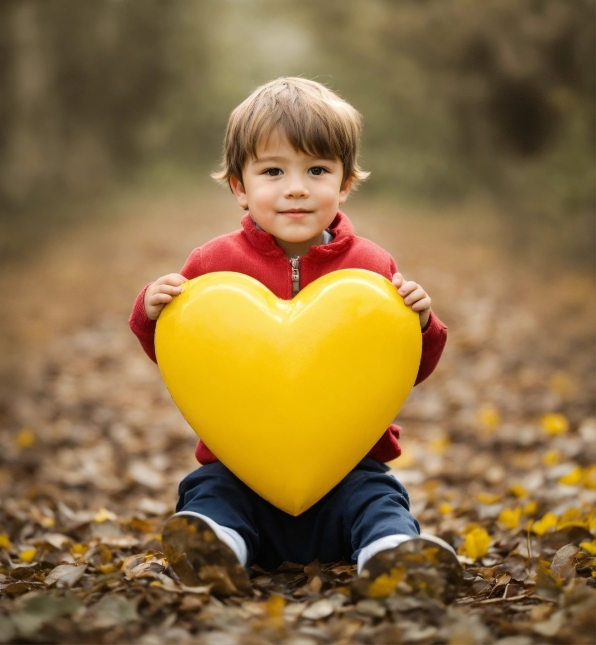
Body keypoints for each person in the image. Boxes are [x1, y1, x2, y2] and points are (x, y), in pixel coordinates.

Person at [129, 77, 462, 601]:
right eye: (273, 171)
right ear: (239, 185)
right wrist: (152, 311)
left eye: (317, 170)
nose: (297, 187)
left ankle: (392, 555)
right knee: (210, 493)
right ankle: (217, 547)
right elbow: (178, 353)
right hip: (241, 464)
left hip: (347, 465)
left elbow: (407, 367)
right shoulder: (210, 267)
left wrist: (420, 324)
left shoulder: (373, 269)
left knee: (378, 500)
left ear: (346, 182)